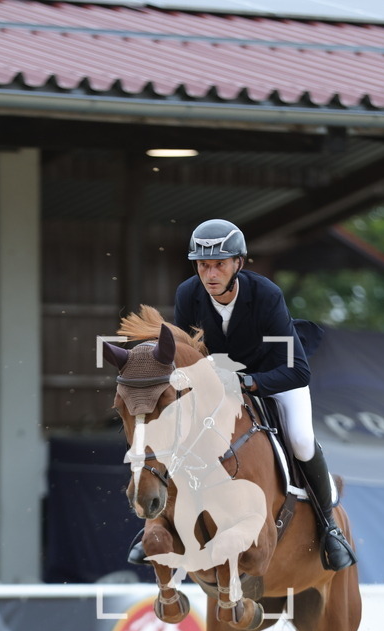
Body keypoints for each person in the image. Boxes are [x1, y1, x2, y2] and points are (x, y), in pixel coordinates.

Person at [128, 218, 356, 572]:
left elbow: (297, 370)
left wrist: (249, 383)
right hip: (221, 384)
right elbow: (191, 352)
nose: (211, 273)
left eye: (220, 264)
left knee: (301, 439)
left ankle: (328, 527)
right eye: (204, 265)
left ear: (239, 263)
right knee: (183, 432)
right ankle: (160, 522)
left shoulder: (265, 296)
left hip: (275, 377)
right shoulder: (189, 294)